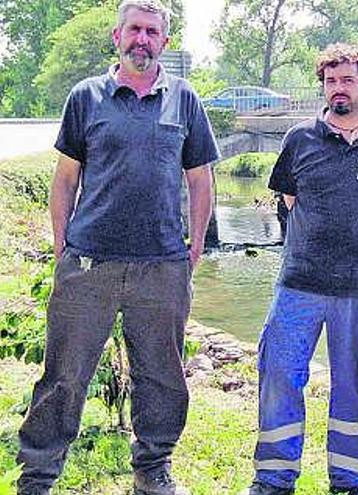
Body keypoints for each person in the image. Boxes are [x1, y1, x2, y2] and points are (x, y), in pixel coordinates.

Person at [15, 1, 219, 494]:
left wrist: (192, 249)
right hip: (89, 264)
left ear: (165, 43)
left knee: (162, 376)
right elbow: (65, 179)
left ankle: (152, 468)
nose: (142, 39)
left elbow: (200, 180)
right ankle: (38, 475)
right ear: (117, 36)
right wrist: (64, 244)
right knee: (64, 374)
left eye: (152, 31)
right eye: (135, 29)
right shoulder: (86, 97)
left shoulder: (185, 100)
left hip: (162, 266)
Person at [242, 43, 358, 495]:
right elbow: (288, 201)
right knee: (279, 373)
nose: (338, 89)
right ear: (323, 86)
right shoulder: (299, 139)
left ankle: (351, 480)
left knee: (353, 383)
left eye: (347, 80)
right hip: (299, 283)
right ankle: (274, 480)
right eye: (330, 81)